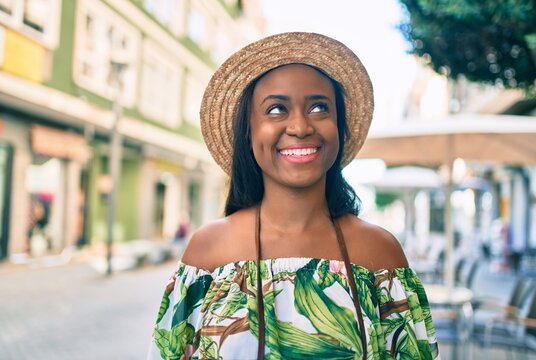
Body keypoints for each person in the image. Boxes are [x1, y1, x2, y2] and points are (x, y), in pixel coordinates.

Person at [148, 32, 439, 359]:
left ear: (339, 128)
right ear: (249, 130)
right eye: (276, 110)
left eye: (319, 107)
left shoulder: (380, 254)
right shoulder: (207, 253)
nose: (300, 126)